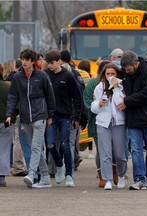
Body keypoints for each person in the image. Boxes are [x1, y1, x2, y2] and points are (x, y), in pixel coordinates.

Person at [6, 48, 56, 189]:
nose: (24, 62)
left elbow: (50, 96)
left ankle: (32, 173)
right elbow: (12, 97)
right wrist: (9, 114)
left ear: (33, 61)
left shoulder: (42, 76)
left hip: (40, 115)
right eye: (22, 59)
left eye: (27, 60)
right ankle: (45, 177)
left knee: (35, 146)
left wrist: (50, 115)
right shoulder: (17, 78)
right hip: (25, 117)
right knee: (36, 149)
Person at [119, 51, 147, 190]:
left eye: (129, 69)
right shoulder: (125, 73)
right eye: (125, 69)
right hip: (133, 118)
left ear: (136, 63)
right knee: (136, 150)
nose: (127, 71)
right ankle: (139, 178)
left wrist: (127, 101)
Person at [44, 50, 82, 187]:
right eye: (48, 63)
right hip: (50, 116)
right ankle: (60, 165)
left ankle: (69, 175)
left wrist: (76, 117)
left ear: (59, 61)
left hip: (65, 115)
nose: (50, 66)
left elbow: (77, 97)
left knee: (66, 145)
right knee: (50, 144)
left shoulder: (68, 76)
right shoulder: (45, 75)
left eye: (52, 63)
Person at [91, 63, 127, 190]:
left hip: (119, 122)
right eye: (108, 74)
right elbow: (94, 108)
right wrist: (99, 104)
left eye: (113, 74)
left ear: (117, 74)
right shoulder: (99, 87)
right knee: (105, 153)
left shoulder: (122, 86)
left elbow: (120, 104)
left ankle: (121, 175)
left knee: (119, 154)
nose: (110, 76)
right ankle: (108, 179)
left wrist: (116, 88)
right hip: (103, 123)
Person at [83, 60, 111, 187]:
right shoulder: (94, 83)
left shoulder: (117, 83)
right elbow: (88, 101)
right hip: (97, 121)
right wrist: (96, 106)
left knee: (103, 150)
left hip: (111, 121)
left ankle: (109, 174)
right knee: (102, 150)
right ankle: (103, 176)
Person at [0, 64, 17, 187]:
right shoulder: (8, 87)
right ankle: (1, 177)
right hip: (6, 121)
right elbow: (15, 104)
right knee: (4, 149)